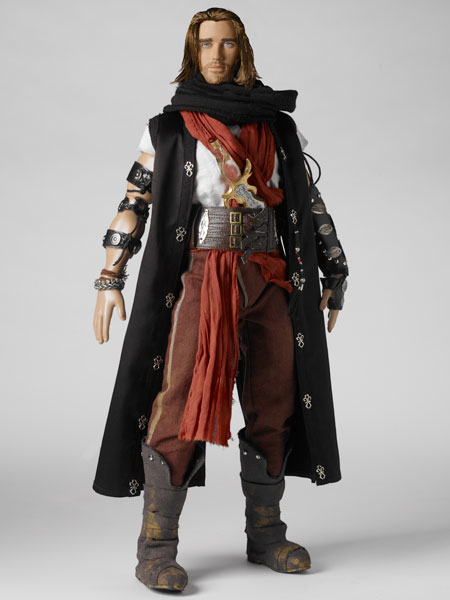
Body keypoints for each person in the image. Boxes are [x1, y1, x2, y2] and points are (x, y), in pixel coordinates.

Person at [92, 7, 349, 593]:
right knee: (181, 399)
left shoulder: (279, 128)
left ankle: (267, 534)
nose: (216, 54)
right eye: (206, 43)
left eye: (227, 43)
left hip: (269, 275)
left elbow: (308, 205)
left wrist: (335, 270)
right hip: (202, 276)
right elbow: (133, 202)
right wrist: (110, 278)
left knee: (274, 399)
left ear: (243, 51)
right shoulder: (169, 129)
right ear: (192, 51)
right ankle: (156, 549)